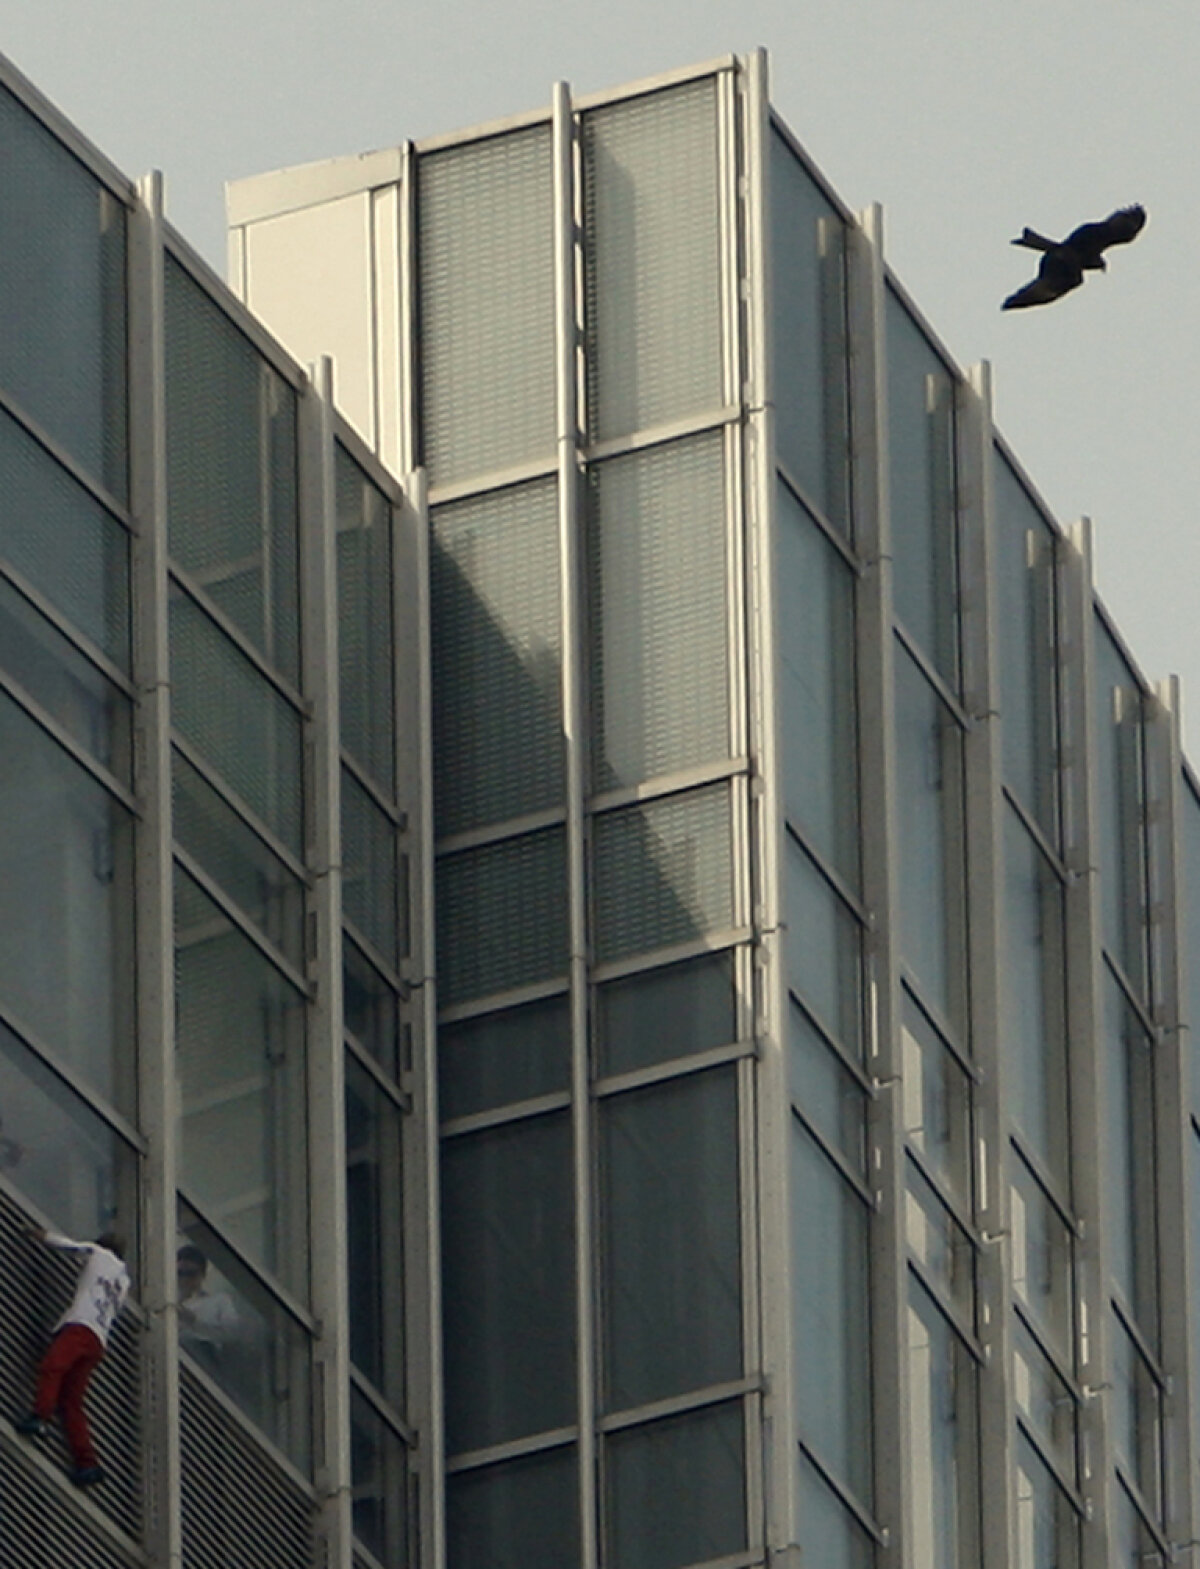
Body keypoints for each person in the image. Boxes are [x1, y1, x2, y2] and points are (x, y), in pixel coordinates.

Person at [15, 1226, 130, 1488]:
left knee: (52, 1367)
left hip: (80, 1326)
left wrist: (41, 1235)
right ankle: (87, 1462)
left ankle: (40, 1417)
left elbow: (68, 1245)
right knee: (72, 1401)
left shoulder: (97, 1252)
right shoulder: (123, 1280)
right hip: (98, 1340)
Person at [176, 1244, 238, 1377]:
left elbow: (231, 1334)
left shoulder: (219, 1301)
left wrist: (195, 1321)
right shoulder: (168, 1303)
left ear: (202, 1275)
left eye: (191, 1274)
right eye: (180, 1273)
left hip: (204, 1356)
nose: (184, 1279)